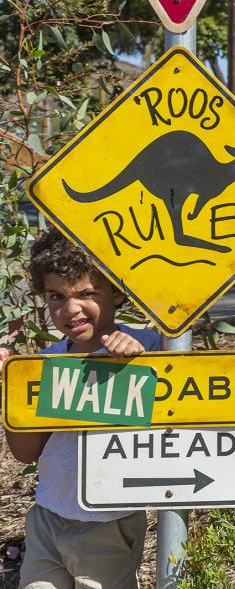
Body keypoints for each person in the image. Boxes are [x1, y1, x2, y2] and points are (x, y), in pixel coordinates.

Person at [3, 228, 161, 589]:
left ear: (118, 292)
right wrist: (12, 388)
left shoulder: (150, 347)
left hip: (108, 521)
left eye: (87, 293)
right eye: (56, 296)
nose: (69, 308)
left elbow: (181, 415)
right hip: (47, 515)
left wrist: (138, 360)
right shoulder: (47, 362)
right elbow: (25, 453)